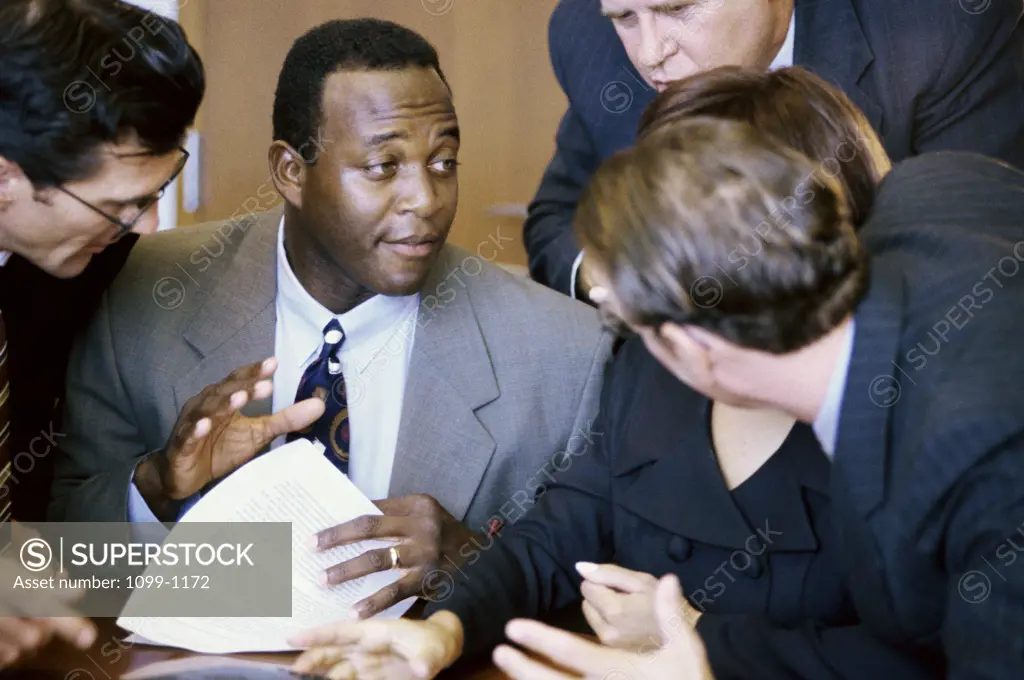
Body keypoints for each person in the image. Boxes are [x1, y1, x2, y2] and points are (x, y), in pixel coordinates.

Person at [287, 69, 944, 680]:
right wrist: (447, 629)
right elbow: (558, 529)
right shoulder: (651, 364)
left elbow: (934, 654)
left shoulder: (911, 425)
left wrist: (703, 638)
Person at [50, 18, 610, 621]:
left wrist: (482, 567)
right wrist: (156, 489)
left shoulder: (567, 353)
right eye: (382, 166)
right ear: (291, 171)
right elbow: (49, 566)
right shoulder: (144, 288)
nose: (425, 198)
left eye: (444, 161)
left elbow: (615, 601)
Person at [525, 0, 1024, 299]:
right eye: (626, 17)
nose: (650, 52)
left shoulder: (942, 29)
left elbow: (977, 254)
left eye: (678, 8)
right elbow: (557, 217)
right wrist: (623, 276)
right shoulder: (585, 36)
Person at [0, 0, 203, 666]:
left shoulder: (78, 265)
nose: (143, 228)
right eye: (118, 207)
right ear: (6, 175)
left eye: (158, 191)